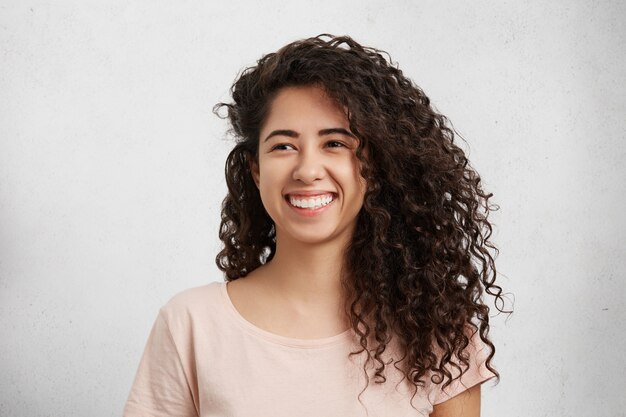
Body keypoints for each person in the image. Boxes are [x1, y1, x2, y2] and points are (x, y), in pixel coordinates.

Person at [123, 34, 507, 417]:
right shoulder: (190, 325)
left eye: (335, 143)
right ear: (256, 170)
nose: (307, 170)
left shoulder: (437, 337)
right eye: (283, 146)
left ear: (375, 165)